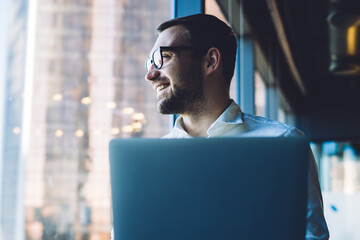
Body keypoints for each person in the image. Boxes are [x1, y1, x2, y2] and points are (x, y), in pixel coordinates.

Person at [144, 14, 329, 239]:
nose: (150, 75)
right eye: (151, 63)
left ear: (210, 61)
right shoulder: (150, 163)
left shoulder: (283, 143)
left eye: (164, 57)